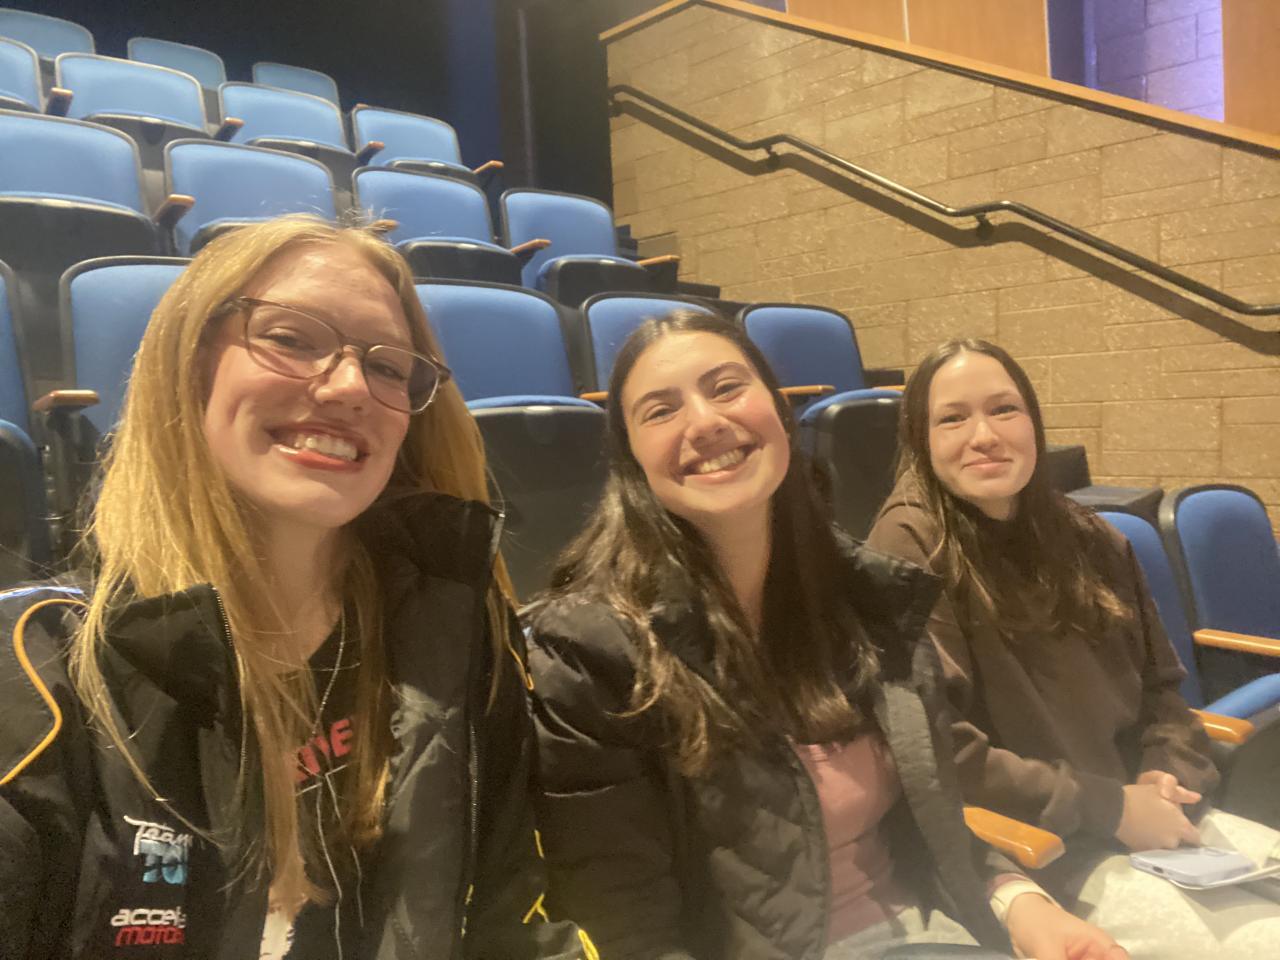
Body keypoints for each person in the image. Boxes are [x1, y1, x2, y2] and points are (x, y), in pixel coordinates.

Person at [0, 217, 591, 960]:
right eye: (289, 338)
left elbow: (509, 919)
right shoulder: (32, 679)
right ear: (189, 362)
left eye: (388, 366)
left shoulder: (457, 629)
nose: (350, 387)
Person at [523, 310, 1127, 960]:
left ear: (781, 415)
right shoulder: (590, 652)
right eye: (661, 411)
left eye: (727, 387)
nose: (704, 421)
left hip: (938, 936)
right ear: (632, 460)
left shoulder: (868, 600)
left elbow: (931, 826)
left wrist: (1021, 903)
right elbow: (628, 933)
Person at [866, 337, 1280, 958]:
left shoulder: (1092, 537)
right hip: (1047, 850)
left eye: (1004, 409)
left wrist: (1167, 774)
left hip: (1156, 814)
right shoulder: (908, 545)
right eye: (952, 418)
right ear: (920, 439)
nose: (984, 435)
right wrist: (1111, 808)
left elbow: (1163, 691)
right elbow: (939, 753)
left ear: (1033, 423)